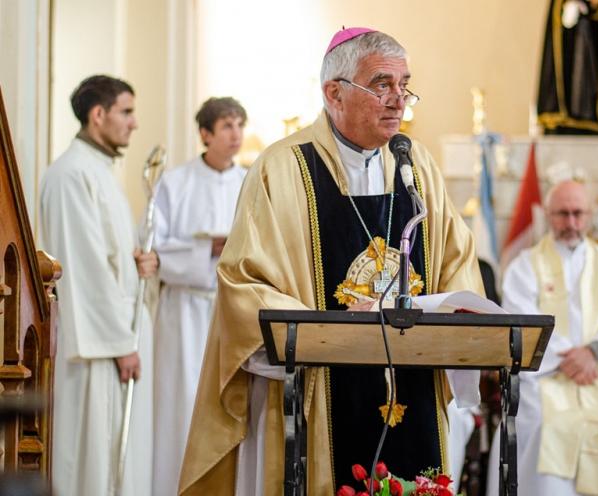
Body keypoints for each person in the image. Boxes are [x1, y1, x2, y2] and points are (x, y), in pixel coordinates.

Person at [178, 28, 483, 495]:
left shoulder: (416, 167)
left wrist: (443, 315)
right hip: (319, 395)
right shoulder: (282, 169)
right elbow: (244, 284)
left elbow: (457, 262)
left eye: (404, 86)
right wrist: (335, 327)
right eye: (382, 84)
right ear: (333, 92)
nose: (398, 100)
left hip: (412, 383)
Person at [487, 180, 598, 495]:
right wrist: (568, 359)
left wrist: (593, 352)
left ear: (590, 215)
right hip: (544, 375)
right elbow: (522, 319)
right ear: (548, 216)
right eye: (562, 214)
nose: (571, 223)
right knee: (541, 424)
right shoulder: (524, 267)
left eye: (578, 214)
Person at [40, 75, 158, 496]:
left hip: (117, 335)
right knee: (95, 458)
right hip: (97, 345)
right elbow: (83, 267)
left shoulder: (99, 170)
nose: (134, 123)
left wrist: (138, 262)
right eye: (126, 112)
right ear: (98, 115)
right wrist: (120, 343)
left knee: (120, 460)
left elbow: (109, 255)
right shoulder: (71, 174)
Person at [150, 97, 248, 496]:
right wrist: (206, 250)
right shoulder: (175, 182)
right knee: (182, 401)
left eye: (240, 125)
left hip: (232, 310)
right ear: (205, 134)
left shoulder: (251, 181)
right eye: (226, 126)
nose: (236, 134)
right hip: (185, 309)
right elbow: (154, 247)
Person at [537, 0, 598, 134]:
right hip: (568, 34)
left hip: (586, 31)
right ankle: (568, 114)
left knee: (587, 68)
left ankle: (588, 114)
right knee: (567, 65)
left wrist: (590, 7)